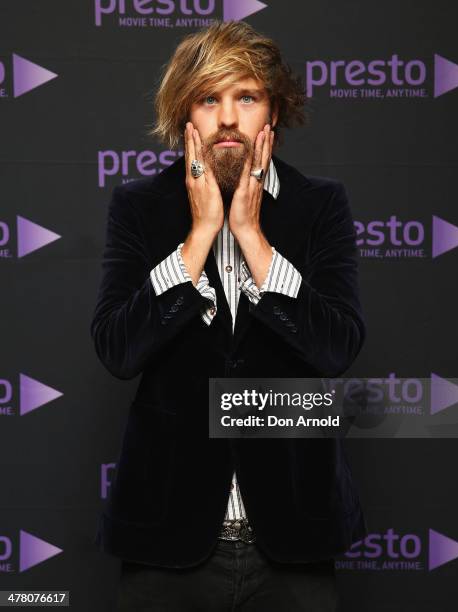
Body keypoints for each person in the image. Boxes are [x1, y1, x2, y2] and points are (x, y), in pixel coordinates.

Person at [90, 19, 368, 612]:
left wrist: (250, 235)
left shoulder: (320, 205)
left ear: (273, 111)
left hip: (295, 539)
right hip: (167, 541)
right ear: (182, 114)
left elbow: (336, 348)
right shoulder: (139, 207)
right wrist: (200, 235)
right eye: (208, 98)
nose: (227, 118)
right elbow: (117, 349)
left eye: (246, 96)